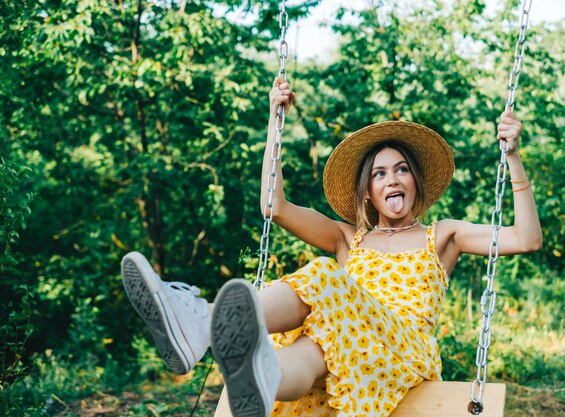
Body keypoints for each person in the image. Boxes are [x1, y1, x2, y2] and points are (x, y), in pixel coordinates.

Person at [121, 77, 542, 417]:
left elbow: (527, 239)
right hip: (346, 348)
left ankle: (201, 323)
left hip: (402, 349)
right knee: (310, 348)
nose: (392, 178)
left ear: (416, 182)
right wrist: (274, 119)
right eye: (379, 174)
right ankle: (260, 379)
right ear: (368, 194)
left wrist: (514, 159)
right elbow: (274, 204)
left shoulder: (443, 235)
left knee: (324, 274)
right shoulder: (348, 238)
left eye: (401, 170)